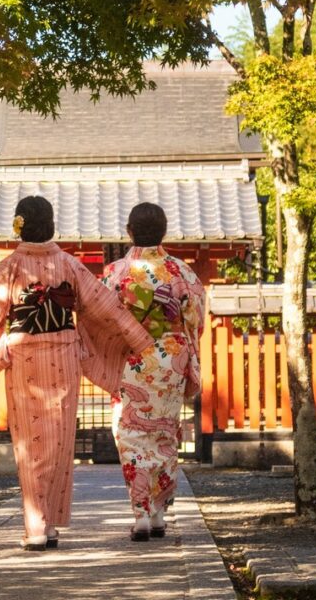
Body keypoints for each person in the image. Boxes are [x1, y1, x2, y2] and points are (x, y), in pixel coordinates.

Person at [0, 195, 151, 552]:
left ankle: (37, 526)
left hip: (24, 359)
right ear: (51, 224)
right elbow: (104, 306)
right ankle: (47, 524)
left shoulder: (10, 266)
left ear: (20, 225)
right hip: (65, 356)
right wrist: (137, 338)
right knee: (58, 442)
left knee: (30, 443)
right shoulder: (69, 264)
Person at [102, 202, 205, 541]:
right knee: (164, 433)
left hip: (131, 359)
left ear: (129, 232)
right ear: (164, 231)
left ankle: (140, 514)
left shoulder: (115, 273)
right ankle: (159, 512)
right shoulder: (181, 272)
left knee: (130, 435)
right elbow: (196, 320)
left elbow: (98, 321)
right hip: (170, 361)